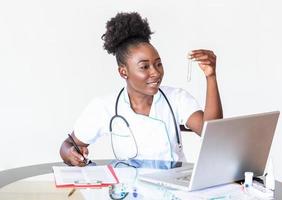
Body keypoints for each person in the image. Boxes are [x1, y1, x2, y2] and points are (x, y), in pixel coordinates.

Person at [60, 12, 223, 166]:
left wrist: (211, 76)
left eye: (158, 64)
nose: (155, 72)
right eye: (144, 67)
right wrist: (70, 154)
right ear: (123, 71)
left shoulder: (177, 98)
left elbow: (213, 135)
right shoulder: (105, 107)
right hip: (131, 189)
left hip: (174, 188)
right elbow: (68, 145)